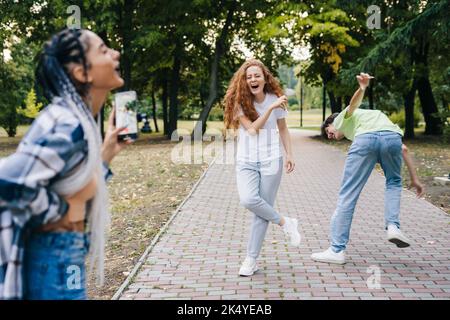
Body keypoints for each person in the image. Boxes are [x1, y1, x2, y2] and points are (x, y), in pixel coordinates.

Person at [0, 28, 131, 299]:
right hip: (52, 251)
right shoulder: (67, 123)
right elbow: (7, 181)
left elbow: (74, 187)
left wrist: (105, 155)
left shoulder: (78, 120)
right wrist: (58, 211)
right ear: (82, 73)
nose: (116, 54)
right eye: (104, 50)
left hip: (66, 248)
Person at [311, 73, 425, 264]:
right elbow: (404, 149)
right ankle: (393, 226)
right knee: (394, 182)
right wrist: (414, 179)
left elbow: (353, 104)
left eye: (328, 132)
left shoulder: (342, 119)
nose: (329, 136)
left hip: (365, 140)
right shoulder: (374, 116)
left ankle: (336, 250)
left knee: (348, 193)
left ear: (333, 122)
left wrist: (362, 88)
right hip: (392, 137)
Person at [223, 59, 301, 276]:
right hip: (247, 160)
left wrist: (289, 154)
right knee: (248, 200)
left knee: (261, 212)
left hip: (271, 159)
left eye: (257, 75)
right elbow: (252, 130)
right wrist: (270, 108)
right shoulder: (239, 101)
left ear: (265, 78)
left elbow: (283, 129)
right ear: (244, 81)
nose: (253, 79)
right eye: (248, 77)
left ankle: (251, 259)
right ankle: (286, 222)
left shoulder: (275, 99)